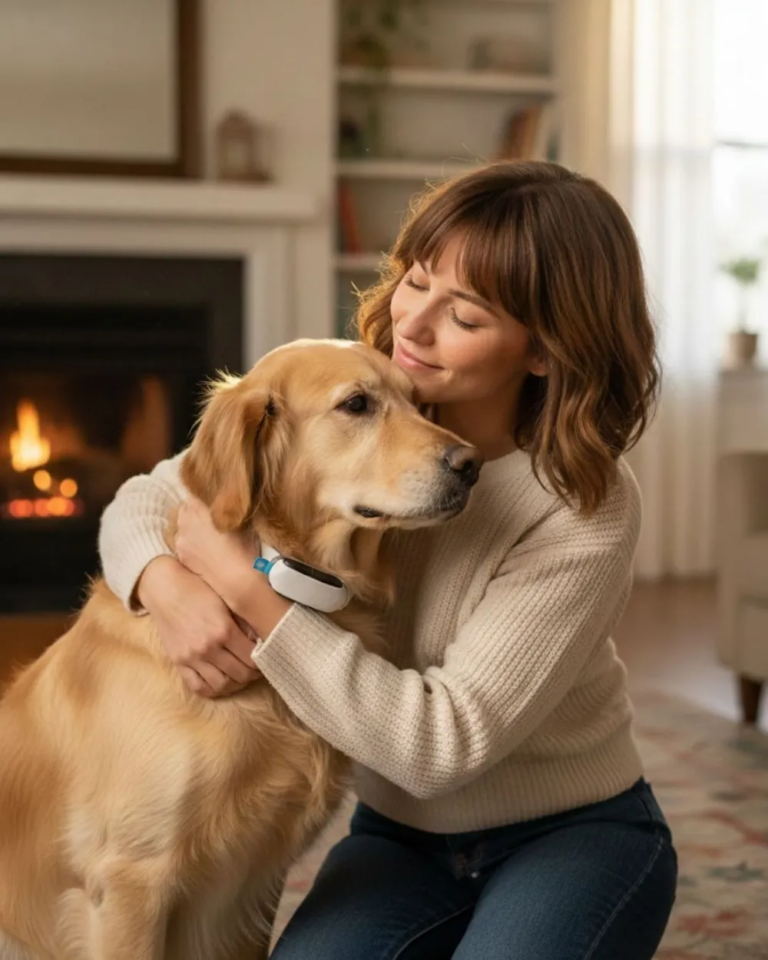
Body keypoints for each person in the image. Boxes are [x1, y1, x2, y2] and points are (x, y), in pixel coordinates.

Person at [98, 160, 677, 960]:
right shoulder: (363, 384)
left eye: (464, 315)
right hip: (399, 838)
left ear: (543, 350)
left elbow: (441, 746)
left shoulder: (583, 503)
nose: (412, 325)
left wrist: (245, 587)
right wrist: (160, 583)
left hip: (571, 834)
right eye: (415, 279)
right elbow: (150, 499)